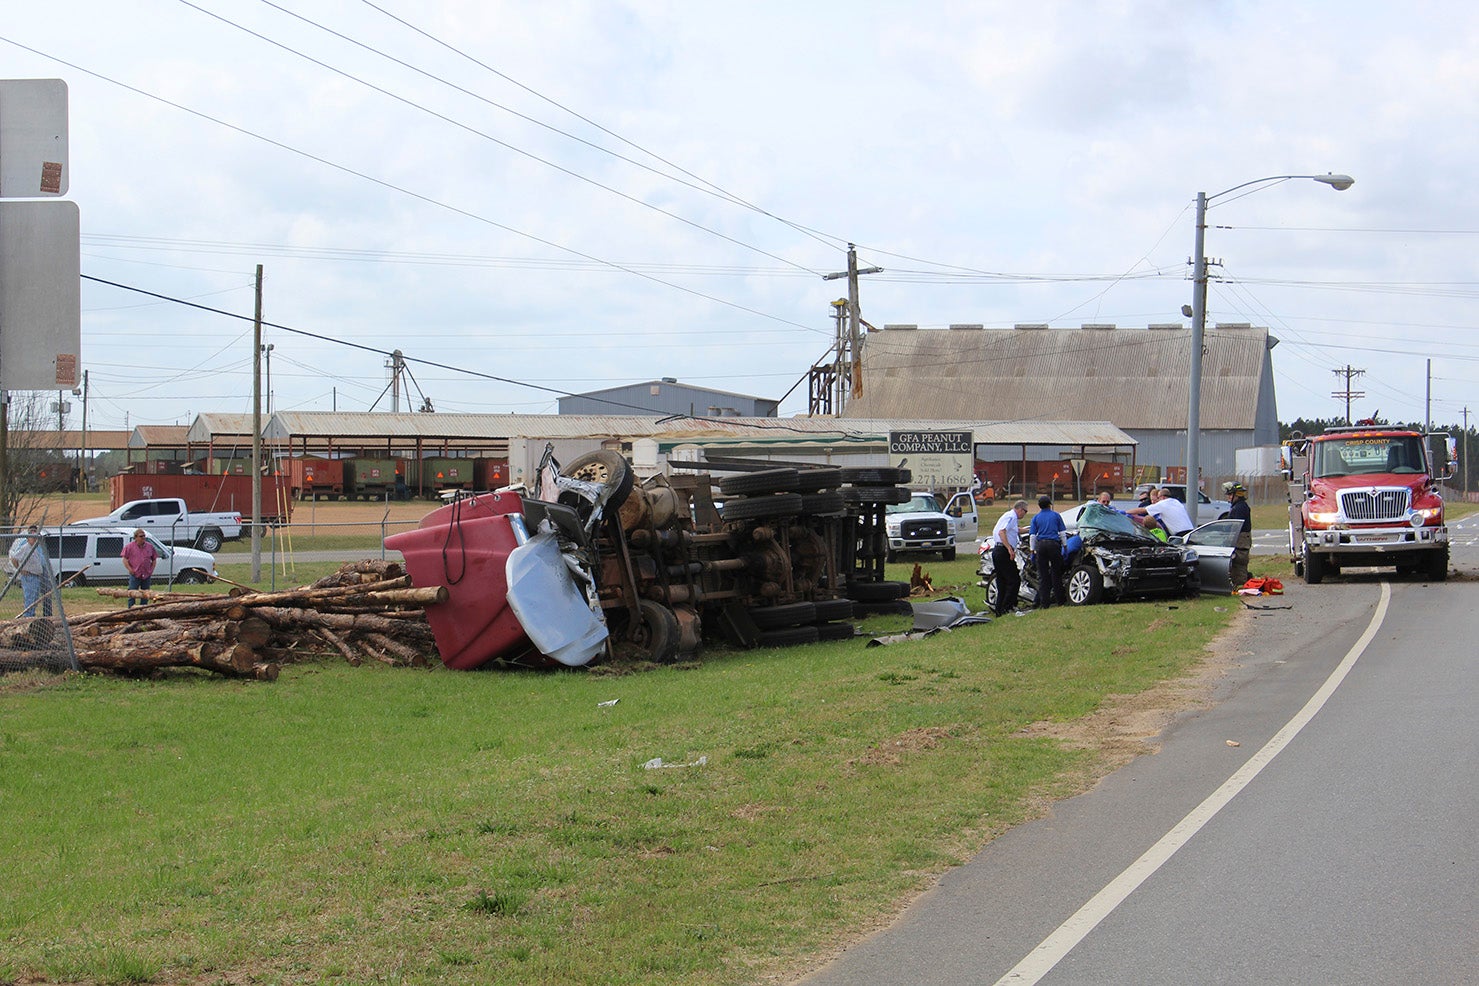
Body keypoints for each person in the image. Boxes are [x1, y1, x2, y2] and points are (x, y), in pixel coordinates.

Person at [988, 499, 1029, 616]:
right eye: (1025, 512)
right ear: (1020, 509)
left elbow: (1015, 531)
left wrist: (1029, 530)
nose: (1024, 515)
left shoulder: (1009, 516)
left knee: (1002, 581)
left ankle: (999, 609)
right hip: (1003, 550)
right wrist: (1009, 548)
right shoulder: (1012, 517)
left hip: (998, 550)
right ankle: (1008, 606)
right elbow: (1002, 532)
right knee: (1014, 580)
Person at [1028, 495, 1066, 608]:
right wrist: (1065, 547)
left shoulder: (1036, 518)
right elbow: (1062, 533)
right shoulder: (1056, 516)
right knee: (1056, 573)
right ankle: (1060, 601)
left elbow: (1033, 536)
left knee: (1043, 575)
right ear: (1050, 505)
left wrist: (1032, 550)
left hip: (1041, 546)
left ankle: (1044, 603)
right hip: (1054, 544)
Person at [8, 526, 53, 618]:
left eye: (35, 535)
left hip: (38, 575)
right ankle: (28, 616)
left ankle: (37, 615)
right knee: (30, 598)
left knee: (35, 597)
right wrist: (20, 569)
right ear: (28, 537)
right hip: (29, 576)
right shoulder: (25, 547)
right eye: (31, 536)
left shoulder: (38, 546)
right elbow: (14, 558)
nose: (34, 538)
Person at [121, 528, 159, 608]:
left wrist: (151, 570)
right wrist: (130, 569)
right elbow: (124, 559)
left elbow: (154, 559)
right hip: (135, 574)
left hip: (146, 574)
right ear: (136, 537)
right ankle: (131, 610)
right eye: (141, 536)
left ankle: (143, 609)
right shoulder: (129, 547)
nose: (143, 538)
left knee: (145, 594)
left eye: (144, 536)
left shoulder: (149, 546)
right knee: (132, 593)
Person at [1225, 481, 1253, 588]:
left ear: (1236, 495)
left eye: (1230, 494)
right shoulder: (1237, 506)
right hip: (1239, 539)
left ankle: (1241, 584)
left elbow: (1236, 525)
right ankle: (1239, 583)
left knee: (1239, 562)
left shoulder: (1240, 507)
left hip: (1241, 540)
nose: (1228, 497)